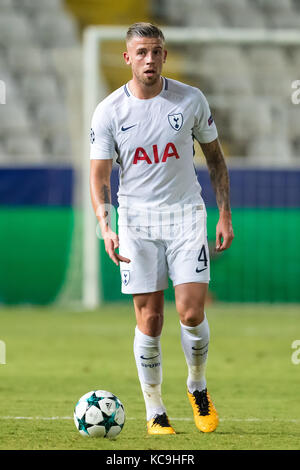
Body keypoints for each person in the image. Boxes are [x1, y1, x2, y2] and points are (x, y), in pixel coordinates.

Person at [89, 22, 234, 435]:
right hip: (136, 222)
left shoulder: (190, 99)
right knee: (150, 320)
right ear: (128, 58)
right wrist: (106, 225)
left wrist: (224, 215)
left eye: (156, 51)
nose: (149, 59)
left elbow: (216, 160)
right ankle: (155, 409)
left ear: (164, 55)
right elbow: (99, 175)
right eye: (141, 53)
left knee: (191, 311)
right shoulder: (109, 112)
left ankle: (198, 386)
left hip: (187, 216)